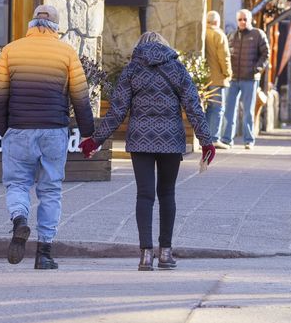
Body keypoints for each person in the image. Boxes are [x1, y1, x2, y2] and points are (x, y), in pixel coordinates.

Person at [80, 32, 216, 271]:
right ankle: (165, 253)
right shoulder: (176, 68)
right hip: (171, 140)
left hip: (140, 140)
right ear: (165, 45)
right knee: (167, 194)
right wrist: (206, 141)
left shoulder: (132, 69)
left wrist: (95, 140)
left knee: (144, 196)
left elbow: (117, 111)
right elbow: (193, 106)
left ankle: (145, 255)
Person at [0, 4, 95, 269]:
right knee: (50, 191)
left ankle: (19, 219)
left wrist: (3, 128)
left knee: (17, 184)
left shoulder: (11, 50)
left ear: (31, 24)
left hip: (19, 128)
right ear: (56, 27)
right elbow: (80, 97)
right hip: (53, 131)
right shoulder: (67, 52)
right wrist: (88, 135)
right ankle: (44, 254)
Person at [221, 9, 270, 150]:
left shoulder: (258, 34)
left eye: (245, 19)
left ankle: (249, 140)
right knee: (229, 110)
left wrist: (257, 69)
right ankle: (227, 139)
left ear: (250, 20)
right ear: (237, 21)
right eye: (240, 19)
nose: (242, 22)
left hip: (250, 79)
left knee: (248, 111)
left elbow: (266, 54)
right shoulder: (231, 36)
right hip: (233, 79)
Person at [204, 10, 232, 149]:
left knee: (209, 108)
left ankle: (206, 137)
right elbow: (224, 56)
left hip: (205, 78)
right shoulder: (219, 34)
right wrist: (228, 73)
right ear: (217, 22)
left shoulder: (204, 33)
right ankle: (214, 138)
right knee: (217, 108)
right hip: (217, 77)